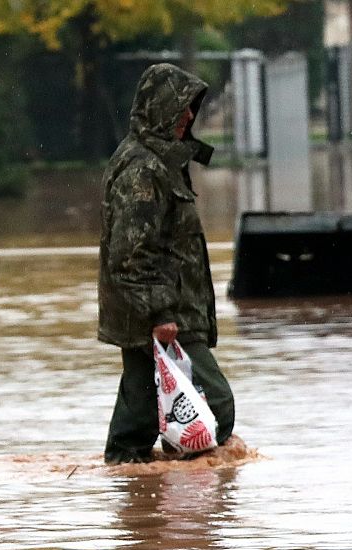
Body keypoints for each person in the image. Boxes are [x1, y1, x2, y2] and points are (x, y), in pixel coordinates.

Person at [99, 63, 235, 464]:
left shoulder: (161, 162)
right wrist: (160, 313)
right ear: (160, 110)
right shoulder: (143, 168)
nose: (190, 117)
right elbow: (130, 253)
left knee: (136, 424)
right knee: (216, 409)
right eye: (182, 109)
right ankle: (193, 509)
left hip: (158, 312)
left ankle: (141, 507)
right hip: (162, 315)